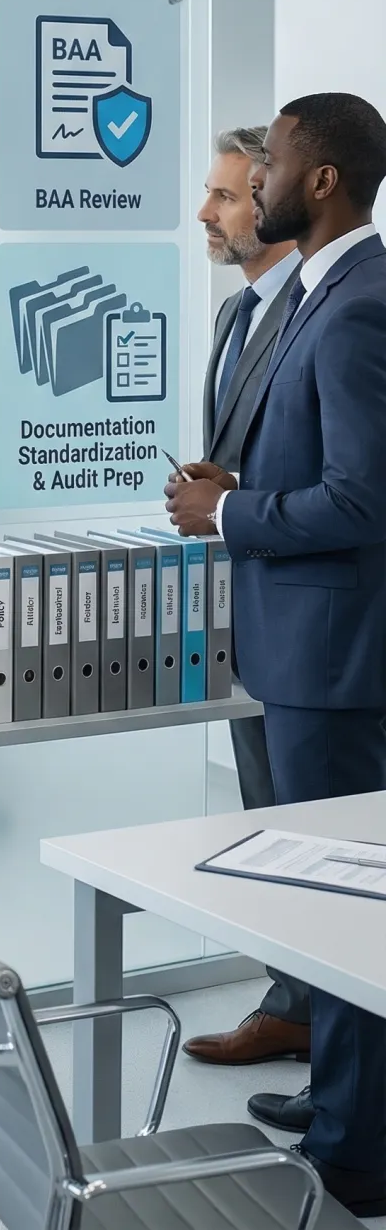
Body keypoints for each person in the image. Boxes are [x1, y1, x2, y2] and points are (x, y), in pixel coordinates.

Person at [167, 92, 386, 1216]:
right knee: (318, 895)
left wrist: (234, 517)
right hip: (295, 644)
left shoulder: (356, 305)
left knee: (346, 904)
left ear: (324, 180)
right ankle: (345, 1096)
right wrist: (241, 495)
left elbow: (364, 494)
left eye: (274, 167)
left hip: (335, 658)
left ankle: (358, 1145)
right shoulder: (320, 291)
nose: (256, 191)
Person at [184, 128, 307, 1070]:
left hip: (310, 613)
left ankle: (311, 1008)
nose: (210, 215)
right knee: (266, 817)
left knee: (312, 835)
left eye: (228, 197)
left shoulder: (325, 310)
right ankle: (297, 1002)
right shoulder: (236, 315)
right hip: (251, 607)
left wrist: (230, 507)